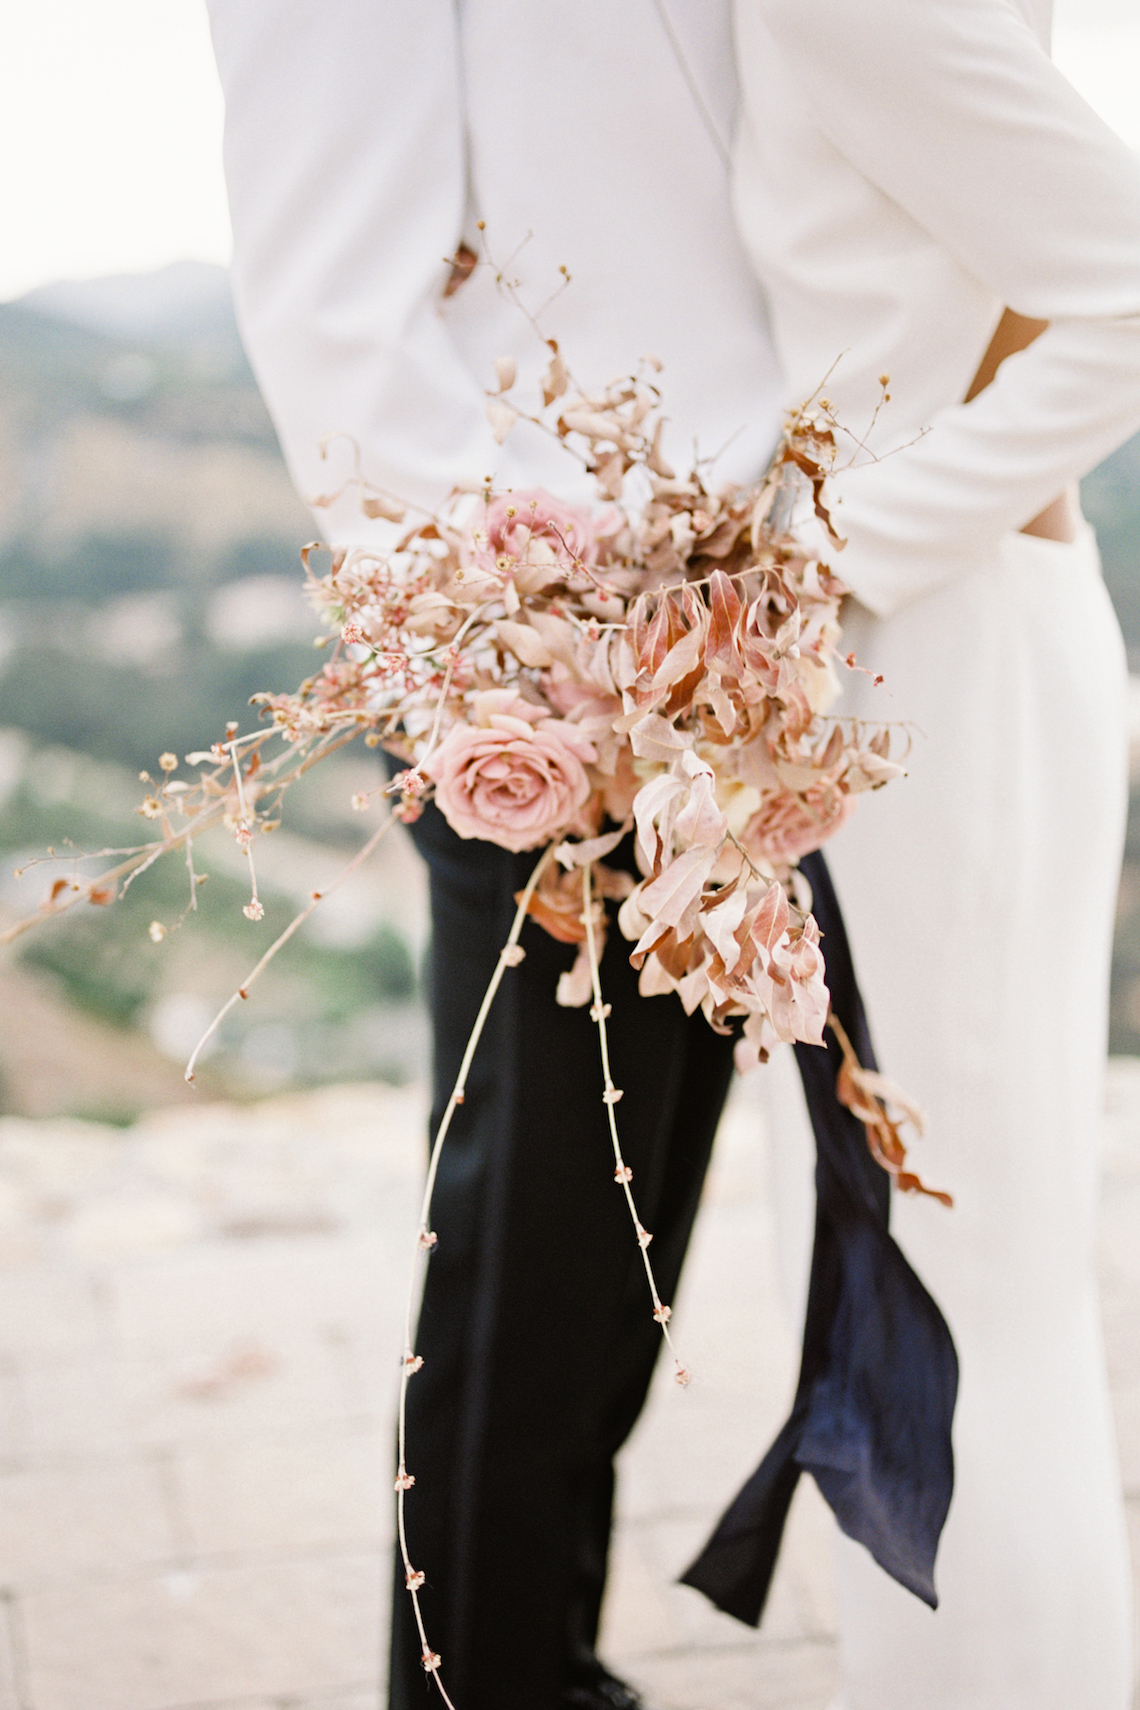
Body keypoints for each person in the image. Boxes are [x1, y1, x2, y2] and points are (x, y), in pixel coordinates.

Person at [203, 6, 786, 1707]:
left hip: (735, 649)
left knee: (622, 1239)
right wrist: (532, 658)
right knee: (533, 1255)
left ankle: (540, 1664)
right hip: (544, 676)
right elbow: (338, 310)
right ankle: (490, 1683)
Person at [722, 0, 1140, 1705]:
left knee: (949, 1301)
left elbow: (1125, 284)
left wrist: (824, 560)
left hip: (932, 661)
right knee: (952, 1288)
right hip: (951, 641)